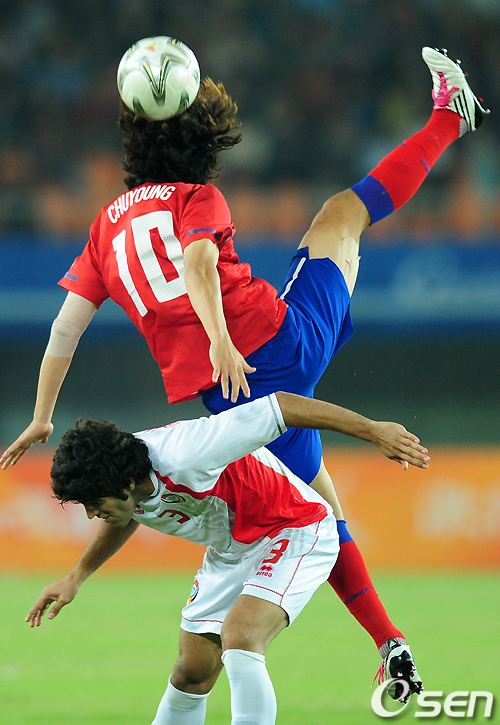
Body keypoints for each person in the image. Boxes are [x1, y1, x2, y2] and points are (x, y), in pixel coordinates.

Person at [2, 46, 487, 690]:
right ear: (198, 145)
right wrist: (221, 339)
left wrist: (43, 417)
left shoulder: (101, 232)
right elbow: (199, 263)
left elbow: (65, 328)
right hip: (275, 345)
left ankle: (391, 642)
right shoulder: (196, 197)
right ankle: (448, 120)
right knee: (344, 214)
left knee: (317, 509)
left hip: (233, 392)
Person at [26, 391, 430, 724]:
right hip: (233, 550)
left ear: (125, 481)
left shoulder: (187, 451)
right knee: (192, 672)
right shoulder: (124, 478)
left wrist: (373, 430)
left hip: (293, 526)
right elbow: (128, 513)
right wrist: (77, 575)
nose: (91, 514)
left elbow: (282, 407)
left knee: (241, 638)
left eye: (93, 503)